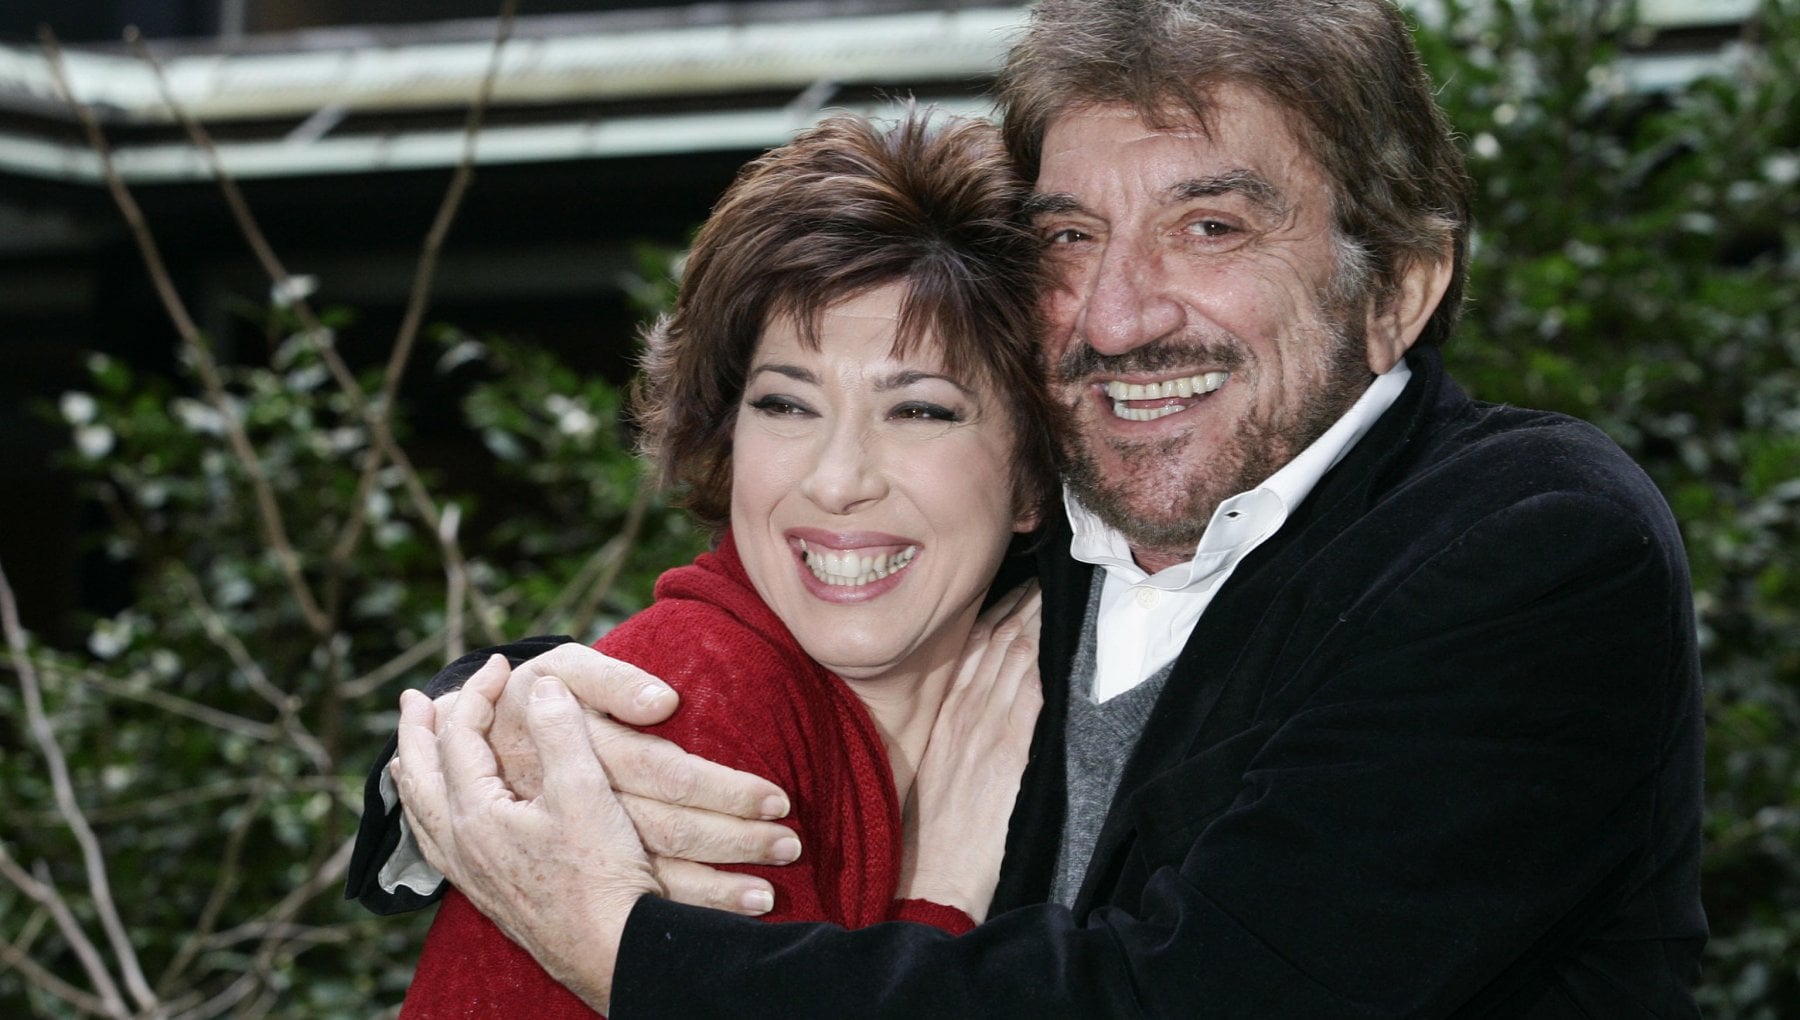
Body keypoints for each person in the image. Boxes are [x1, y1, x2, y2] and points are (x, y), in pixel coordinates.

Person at [363, 0, 1709, 1014]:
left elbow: (1188, 996)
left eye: (1210, 227)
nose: (1117, 317)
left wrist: (623, 945)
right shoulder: (1040, 514)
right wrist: (487, 742)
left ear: (1400, 285)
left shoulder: (1528, 544)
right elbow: (752, 620)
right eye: (1070, 237)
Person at [382, 109, 1061, 1015]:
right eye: (786, 405)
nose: (837, 482)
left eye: (920, 411)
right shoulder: (690, 705)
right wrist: (942, 897)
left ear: (1034, 475)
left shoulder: (1066, 666)